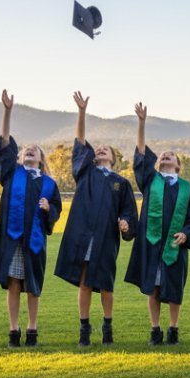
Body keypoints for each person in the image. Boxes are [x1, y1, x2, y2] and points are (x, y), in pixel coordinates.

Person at [54, 92, 138, 346]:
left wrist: (125, 223)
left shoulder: (120, 183)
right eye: (98, 148)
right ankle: (84, 327)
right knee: (84, 282)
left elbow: (128, 211)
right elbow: (80, 141)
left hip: (105, 237)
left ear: (113, 158)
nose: (100, 149)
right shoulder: (85, 173)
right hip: (82, 235)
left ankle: (107, 325)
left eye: (106, 149)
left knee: (105, 284)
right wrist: (81, 112)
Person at [123, 102, 190, 346]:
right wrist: (142, 123)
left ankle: (173, 330)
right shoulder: (150, 181)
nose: (165, 155)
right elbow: (140, 154)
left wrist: (187, 235)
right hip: (152, 243)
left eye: (171, 155)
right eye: (162, 155)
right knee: (154, 288)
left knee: (174, 289)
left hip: (174, 246)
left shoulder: (188, 189)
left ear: (178, 164)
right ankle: (155, 330)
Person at [0, 90, 62, 348]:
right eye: (26, 151)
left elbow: (56, 211)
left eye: (34, 151)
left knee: (32, 286)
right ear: (20, 158)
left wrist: (47, 210)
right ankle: (13, 330)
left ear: (41, 160)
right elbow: (5, 146)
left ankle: (32, 329)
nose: (29, 151)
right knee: (13, 284)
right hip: (12, 240)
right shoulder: (11, 175)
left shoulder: (49, 184)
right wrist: (7, 112)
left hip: (34, 241)